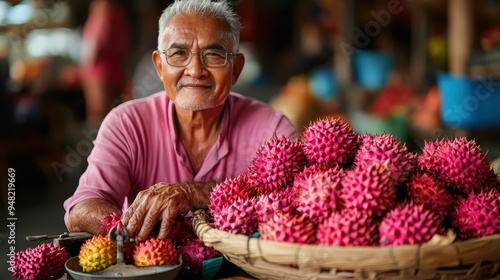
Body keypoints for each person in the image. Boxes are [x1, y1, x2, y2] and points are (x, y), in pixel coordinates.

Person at [64, 0, 298, 242]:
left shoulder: (273, 130)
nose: (195, 70)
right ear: (159, 66)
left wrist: (195, 193)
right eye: (179, 54)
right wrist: (130, 231)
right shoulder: (126, 123)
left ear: (235, 68)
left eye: (214, 55)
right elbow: (82, 207)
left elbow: (298, 198)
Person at [79, 0, 129, 127]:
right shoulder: (118, 10)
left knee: (99, 119)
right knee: (116, 119)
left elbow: (95, 43)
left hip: (99, 72)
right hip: (116, 70)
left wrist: (83, 67)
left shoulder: (101, 7)